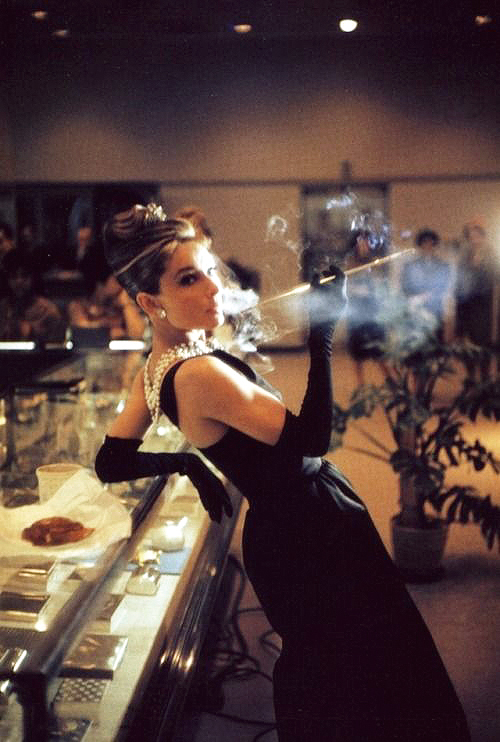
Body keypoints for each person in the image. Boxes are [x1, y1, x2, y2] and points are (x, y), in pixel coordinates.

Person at [94, 203, 471, 742]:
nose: (213, 287)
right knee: (367, 665)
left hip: (288, 529)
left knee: (339, 662)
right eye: (188, 279)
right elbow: (312, 438)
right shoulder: (199, 373)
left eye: (209, 269)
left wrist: (187, 463)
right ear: (151, 302)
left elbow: (111, 462)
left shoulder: (156, 368)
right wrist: (323, 335)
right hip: (311, 532)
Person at [67, 246, 145, 342]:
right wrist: (112, 331)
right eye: (117, 280)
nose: (122, 285)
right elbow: (84, 332)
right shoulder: (79, 305)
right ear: (100, 283)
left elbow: (138, 335)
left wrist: (126, 305)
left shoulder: (121, 304)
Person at [343, 229, 389, 385]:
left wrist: (374, 289)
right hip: (356, 311)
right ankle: (360, 384)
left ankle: (390, 381)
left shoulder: (376, 262)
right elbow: (345, 286)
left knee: (379, 348)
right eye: (360, 241)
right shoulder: (350, 262)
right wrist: (356, 290)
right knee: (357, 350)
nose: (364, 245)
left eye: (366, 241)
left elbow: (381, 284)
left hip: (373, 310)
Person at [455, 220, 499, 380]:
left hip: (485, 305)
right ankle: (471, 376)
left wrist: (480, 266)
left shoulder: (492, 256)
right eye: (471, 237)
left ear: (483, 237)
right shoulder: (464, 256)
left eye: (478, 236)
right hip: (466, 305)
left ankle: (485, 377)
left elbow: (495, 278)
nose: (475, 240)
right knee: (468, 343)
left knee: (484, 342)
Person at [0, 248, 66, 344]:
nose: (19, 281)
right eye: (13, 276)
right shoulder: (3, 308)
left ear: (33, 278)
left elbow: (57, 346)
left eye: (24, 276)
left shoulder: (48, 311)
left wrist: (32, 332)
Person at [400, 228, 453, 341]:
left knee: (436, 343)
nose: (428, 246)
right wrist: (417, 297)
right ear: (420, 245)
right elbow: (405, 286)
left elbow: (444, 285)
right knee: (416, 343)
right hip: (415, 310)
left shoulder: (444, 266)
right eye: (424, 243)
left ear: (435, 245)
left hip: (435, 310)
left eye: (431, 243)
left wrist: (430, 295)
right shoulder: (409, 266)